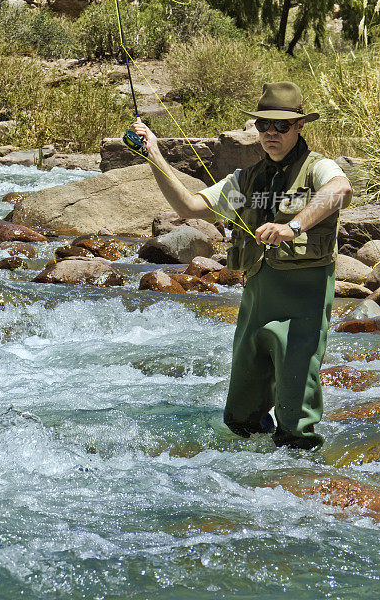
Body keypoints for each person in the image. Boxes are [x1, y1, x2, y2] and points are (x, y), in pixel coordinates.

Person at [132, 82, 352, 449]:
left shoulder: (318, 168)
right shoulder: (245, 181)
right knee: (240, 418)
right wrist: (154, 155)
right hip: (256, 304)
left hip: (304, 304)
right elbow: (189, 207)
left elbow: (340, 189)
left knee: (297, 423)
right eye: (264, 124)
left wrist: (293, 225)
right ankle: (249, 480)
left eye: (282, 125)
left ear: (299, 126)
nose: (271, 132)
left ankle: (298, 480)